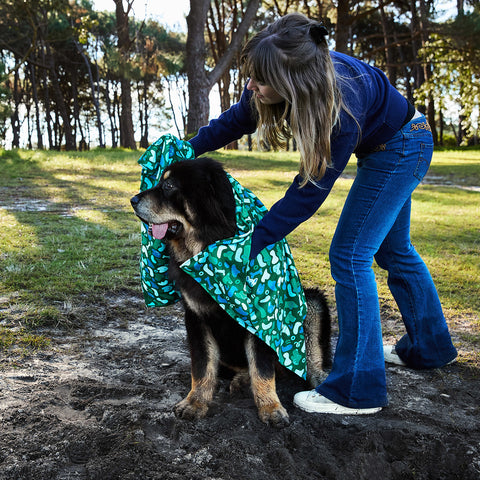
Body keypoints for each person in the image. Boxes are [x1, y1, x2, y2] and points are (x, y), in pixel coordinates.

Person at [188, 13, 457, 414]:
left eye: (259, 81)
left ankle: (356, 389)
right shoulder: (282, 71)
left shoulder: (340, 107)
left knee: (350, 255)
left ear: (292, 84)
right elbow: (236, 119)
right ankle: (430, 346)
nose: (251, 86)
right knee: (394, 251)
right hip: (397, 143)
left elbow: (307, 194)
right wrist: (186, 151)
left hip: (402, 149)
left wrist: (254, 241)